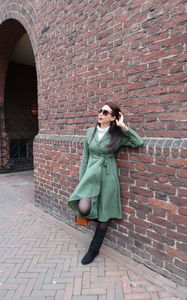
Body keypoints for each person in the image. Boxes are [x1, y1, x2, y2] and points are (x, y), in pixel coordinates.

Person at [68, 102, 144, 265]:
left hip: (108, 175)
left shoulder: (117, 135)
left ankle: (93, 250)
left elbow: (138, 142)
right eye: (100, 110)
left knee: (105, 215)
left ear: (113, 117)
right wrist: (82, 179)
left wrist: (123, 126)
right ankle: (96, 215)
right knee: (84, 207)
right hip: (90, 174)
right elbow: (85, 157)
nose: (100, 113)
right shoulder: (90, 132)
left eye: (105, 112)